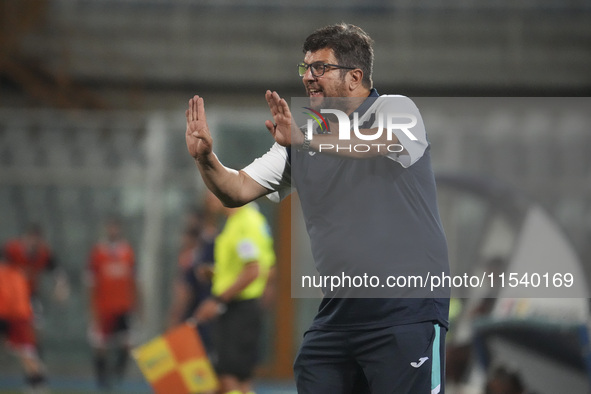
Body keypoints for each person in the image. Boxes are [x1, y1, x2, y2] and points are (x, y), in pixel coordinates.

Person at [185, 23, 449, 394]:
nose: (309, 77)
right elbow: (237, 188)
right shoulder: (303, 133)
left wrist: (305, 138)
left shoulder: (395, 109)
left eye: (320, 68)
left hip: (405, 312)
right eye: (305, 67)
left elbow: (375, 142)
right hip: (338, 317)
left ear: (356, 76)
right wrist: (206, 159)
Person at [193, 196, 276, 394]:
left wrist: (217, 300)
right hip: (239, 307)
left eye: (214, 187)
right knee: (238, 378)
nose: (209, 196)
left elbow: (253, 270)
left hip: (239, 308)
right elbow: (254, 266)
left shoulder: (244, 223)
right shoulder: (239, 221)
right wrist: (216, 273)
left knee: (228, 375)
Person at [86, 216, 140, 390]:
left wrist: (138, 305)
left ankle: (117, 375)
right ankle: (102, 381)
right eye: (110, 228)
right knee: (100, 345)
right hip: (103, 307)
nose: (113, 231)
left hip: (123, 307)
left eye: (115, 228)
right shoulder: (97, 252)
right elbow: (90, 283)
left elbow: (135, 281)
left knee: (127, 344)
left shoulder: (127, 251)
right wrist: (91, 309)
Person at [0, 251, 48, 394]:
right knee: (26, 352)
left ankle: (39, 383)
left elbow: (6, 299)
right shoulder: (18, 274)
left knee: (26, 353)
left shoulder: (5, 274)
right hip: (22, 317)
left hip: (9, 317)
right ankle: (37, 383)